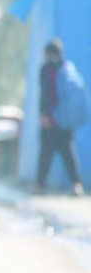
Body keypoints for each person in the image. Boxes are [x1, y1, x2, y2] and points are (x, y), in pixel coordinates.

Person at [37, 39, 87, 196]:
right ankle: (76, 184)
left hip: (51, 119)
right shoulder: (67, 67)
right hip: (65, 120)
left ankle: (40, 185)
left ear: (47, 53)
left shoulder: (46, 69)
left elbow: (45, 94)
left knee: (46, 154)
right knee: (68, 154)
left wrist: (44, 114)